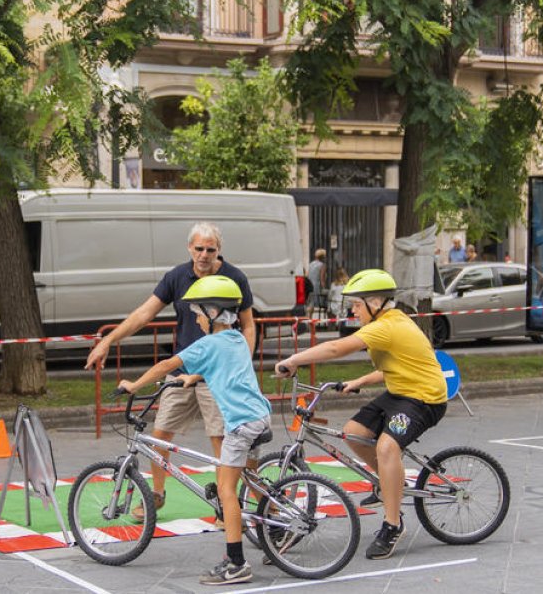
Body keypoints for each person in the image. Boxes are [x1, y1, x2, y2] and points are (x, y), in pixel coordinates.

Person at [85, 222, 255, 520]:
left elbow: (249, 324)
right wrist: (108, 340)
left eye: (210, 249)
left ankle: (225, 505)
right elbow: (144, 313)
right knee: (159, 433)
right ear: (190, 248)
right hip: (182, 369)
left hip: (215, 374)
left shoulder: (234, 277)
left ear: (219, 251)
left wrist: (240, 360)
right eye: (199, 248)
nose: (204, 255)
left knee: (220, 440)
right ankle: (156, 495)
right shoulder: (177, 276)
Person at [274, 269, 447, 560]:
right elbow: (399, 364)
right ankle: (390, 481)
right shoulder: (389, 322)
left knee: (387, 446)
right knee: (354, 432)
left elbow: (335, 347)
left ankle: (393, 525)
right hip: (400, 392)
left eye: (356, 304)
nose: (353, 310)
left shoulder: (387, 325)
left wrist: (293, 359)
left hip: (424, 398)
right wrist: (360, 381)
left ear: (376, 302)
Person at [118, 276, 271, 586]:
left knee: (226, 490)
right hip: (260, 416)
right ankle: (278, 527)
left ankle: (236, 563)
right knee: (249, 476)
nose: (197, 319)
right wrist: (194, 377)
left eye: (199, 313)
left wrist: (133, 385)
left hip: (240, 423)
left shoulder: (207, 343)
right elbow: (222, 365)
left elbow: (164, 366)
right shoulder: (237, 338)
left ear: (213, 313)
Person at [306, 248, 327, 318]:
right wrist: (323, 287)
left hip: (309, 285)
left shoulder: (311, 264)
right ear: (323, 257)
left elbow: (307, 274)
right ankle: (310, 319)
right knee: (316, 303)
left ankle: (309, 318)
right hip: (316, 286)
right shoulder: (322, 265)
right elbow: (322, 278)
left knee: (310, 302)